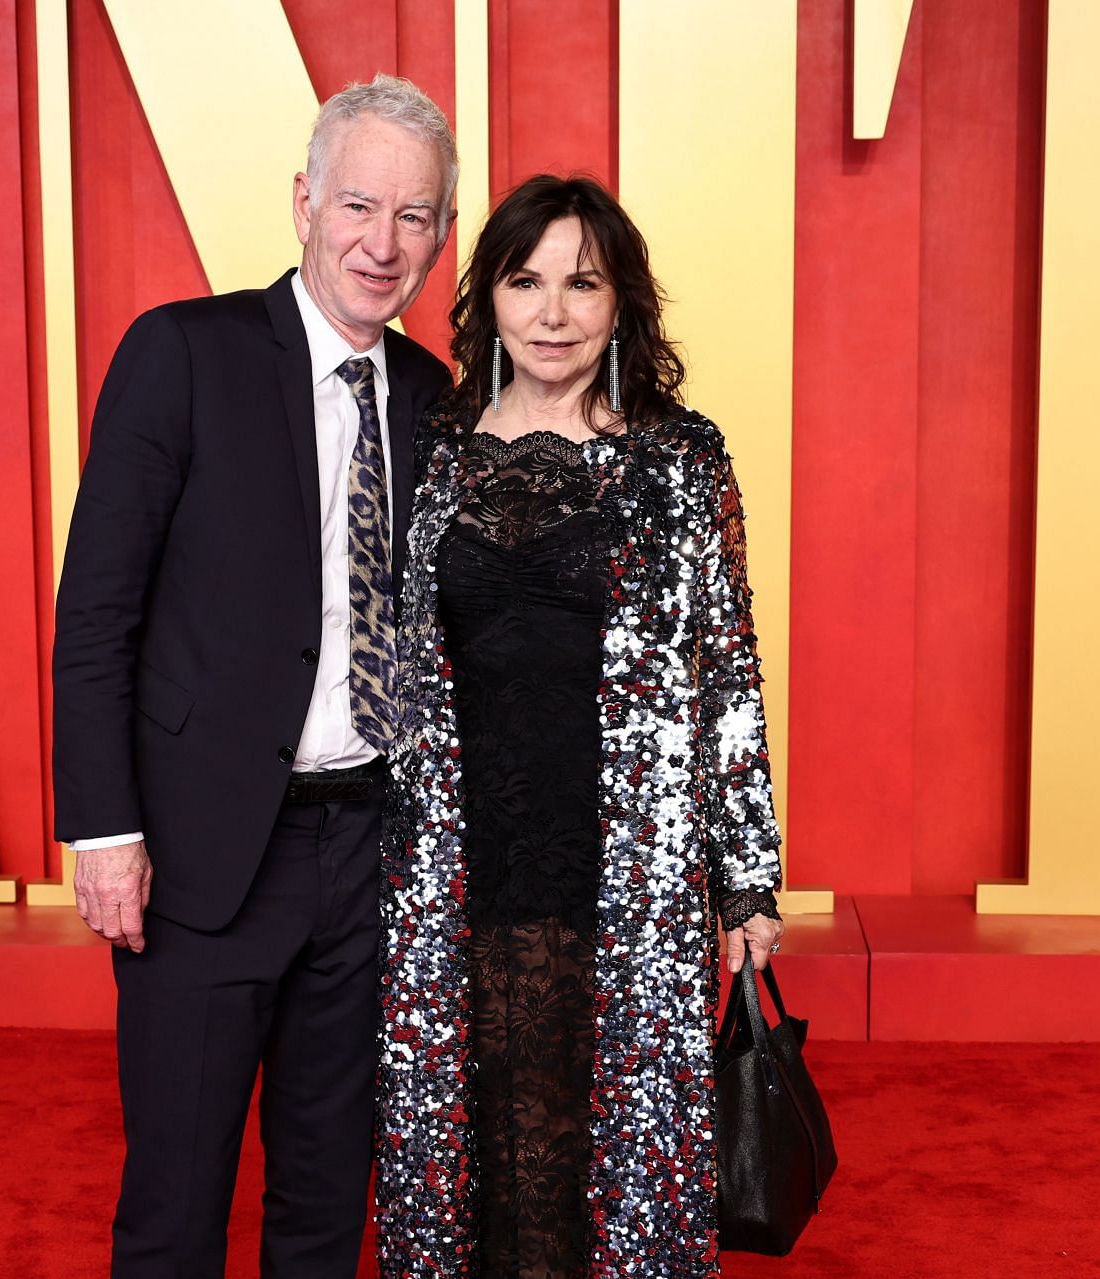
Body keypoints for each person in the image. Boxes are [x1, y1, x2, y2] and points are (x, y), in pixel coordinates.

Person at [51, 76, 456, 1278]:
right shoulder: (183, 353)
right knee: (177, 1208)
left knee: (328, 1206)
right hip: (203, 854)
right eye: (359, 206)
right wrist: (103, 829)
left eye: (417, 218)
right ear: (303, 202)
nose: (383, 246)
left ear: (440, 235)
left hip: (368, 853)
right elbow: (96, 614)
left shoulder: (435, 402)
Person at [375, 175, 787, 1278]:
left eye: (581, 283)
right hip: (460, 871)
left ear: (621, 306)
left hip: (628, 871)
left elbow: (727, 673)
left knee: (605, 1155)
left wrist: (745, 883)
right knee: (479, 1148)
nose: (552, 313)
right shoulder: (434, 446)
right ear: (488, 297)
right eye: (525, 280)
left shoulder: (682, 459)